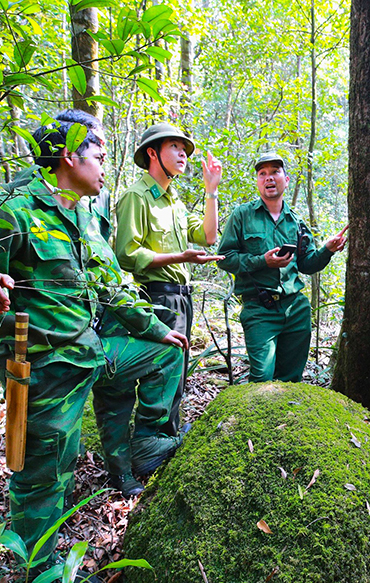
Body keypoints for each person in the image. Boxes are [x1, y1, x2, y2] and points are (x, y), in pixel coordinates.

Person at [0, 110, 188, 577]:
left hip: (92, 352)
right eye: (100, 155)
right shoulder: (13, 206)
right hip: (43, 371)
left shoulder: (85, 214)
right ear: (68, 155)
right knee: (43, 481)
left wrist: (153, 327)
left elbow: (110, 283)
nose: (105, 165)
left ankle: (148, 442)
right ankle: (39, 570)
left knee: (168, 351)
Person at [114, 123, 224, 436]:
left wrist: (211, 190)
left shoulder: (173, 200)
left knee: (178, 369)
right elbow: (126, 254)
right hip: (157, 297)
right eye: (174, 147)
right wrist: (179, 258)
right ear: (152, 152)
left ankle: (169, 433)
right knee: (163, 371)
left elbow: (207, 235)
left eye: (183, 148)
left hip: (181, 298)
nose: (182, 154)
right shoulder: (137, 197)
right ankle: (154, 440)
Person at [217, 152, 347, 382]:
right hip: (259, 309)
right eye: (262, 174)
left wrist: (327, 249)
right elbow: (224, 258)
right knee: (262, 377)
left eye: (275, 172)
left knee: (290, 379)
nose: (269, 178)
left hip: (295, 309)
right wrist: (262, 262)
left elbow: (307, 265)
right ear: (258, 181)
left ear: (286, 180)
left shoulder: (296, 222)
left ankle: (285, 419)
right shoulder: (242, 216)